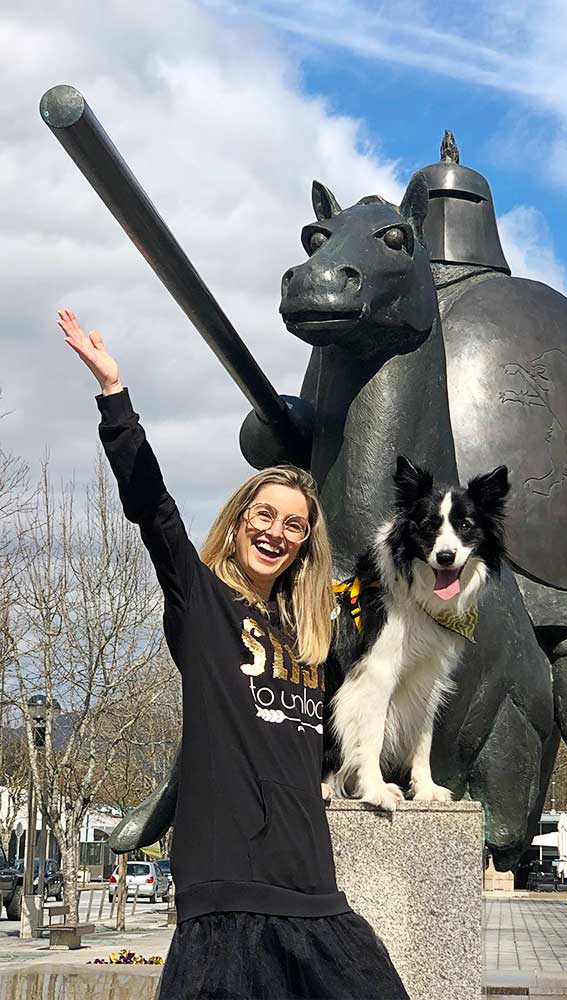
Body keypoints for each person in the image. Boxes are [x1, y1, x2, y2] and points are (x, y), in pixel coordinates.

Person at [57, 309, 409, 1000]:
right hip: (226, 902)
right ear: (243, 519)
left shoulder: (311, 641)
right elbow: (154, 512)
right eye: (265, 515)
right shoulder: (201, 604)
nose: (276, 532)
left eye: (294, 525)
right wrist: (114, 398)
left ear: (304, 545)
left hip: (314, 897)